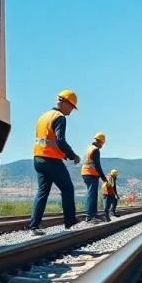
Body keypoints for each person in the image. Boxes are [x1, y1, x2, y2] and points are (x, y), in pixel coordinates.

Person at [29, 90, 82, 235]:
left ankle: (34, 227)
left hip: (38, 158)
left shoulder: (43, 116)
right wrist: (72, 155)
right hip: (50, 160)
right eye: (71, 107)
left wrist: (62, 153)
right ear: (65, 103)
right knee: (67, 188)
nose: (72, 110)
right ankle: (70, 223)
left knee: (42, 192)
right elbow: (60, 140)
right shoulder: (59, 117)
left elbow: (46, 140)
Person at [80, 132, 109, 222]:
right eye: (102, 143)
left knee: (93, 194)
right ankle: (89, 216)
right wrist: (104, 178)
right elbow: (97, 165)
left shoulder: (89, 148)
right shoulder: (95, 150)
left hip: (85, 172)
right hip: (91, 173)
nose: (102, 145)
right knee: (92, 194)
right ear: (100, 141)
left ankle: (93, 214)